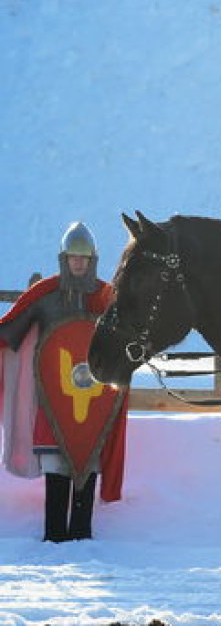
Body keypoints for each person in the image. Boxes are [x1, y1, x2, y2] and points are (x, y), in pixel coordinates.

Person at [0, 222, 128, 541]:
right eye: (73, 256)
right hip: (53, 402)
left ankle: (82, 539)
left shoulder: (105, 298)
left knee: (87, 463)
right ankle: (55, 538)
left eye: (84, 257)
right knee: (57, 469)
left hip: (92, 405)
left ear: (93, 260)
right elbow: (10, 331)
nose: (79, 262)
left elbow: (124, 339)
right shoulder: (46, 296)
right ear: (64, 258)